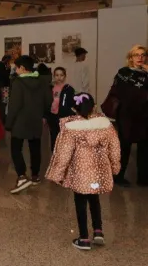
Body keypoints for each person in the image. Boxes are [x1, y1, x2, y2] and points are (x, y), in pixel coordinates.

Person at [45, 93, 121, 250]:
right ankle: (98, 232)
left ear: (74, 109)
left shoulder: (71, 128)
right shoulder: (105, 124)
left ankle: (84, 238)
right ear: (94, 106)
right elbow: (114, 148)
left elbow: (63, 153)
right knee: (94, 199)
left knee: (80, 202)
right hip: (99, 172)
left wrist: (57, 174)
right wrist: (115, 166)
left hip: (80, 173)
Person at [101, 44, 148, 187]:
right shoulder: (124, 72)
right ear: (130, 58)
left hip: (144, 116)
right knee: (124, 146)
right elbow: (124, 93)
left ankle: (143, 178)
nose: (140, 57)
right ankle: (118, 176)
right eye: (136, 55)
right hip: (127, 115)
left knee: (144, 148)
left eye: (143, 55)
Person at [6, 55, 52, 194]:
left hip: (20, 121)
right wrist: (43, 115)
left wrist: (8, 123)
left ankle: (21, 176)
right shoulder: (42, 81)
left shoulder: (18, 83)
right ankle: (35, 176)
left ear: (22, 68)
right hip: (35, 120)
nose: (15, 69)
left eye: (16, 67)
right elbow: (48, 101)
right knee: (35, 148)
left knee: (16, 148)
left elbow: (14, 105)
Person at [47, 67, 76, 152]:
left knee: (64, 138)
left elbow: (71, 103)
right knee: (54, 137)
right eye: (56, 75)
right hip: (52, 117)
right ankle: (55, 156)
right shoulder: (50, 88)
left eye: (61, 75)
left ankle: (64, 156)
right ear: (54, 76)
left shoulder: (69, 89)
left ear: (65, 76)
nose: (59, 77)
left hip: (63, 117)